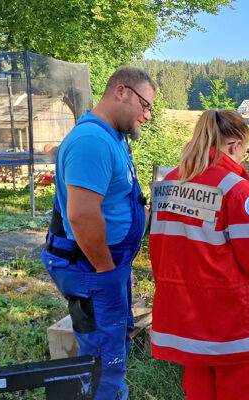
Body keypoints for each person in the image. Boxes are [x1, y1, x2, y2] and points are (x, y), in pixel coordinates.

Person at [41, 66, 156, 400]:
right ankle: (105, 394)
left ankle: (111, 391)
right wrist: (106, 270)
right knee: (105, 354)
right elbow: (81, 214)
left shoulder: (111, 137)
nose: (147, 116)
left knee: (113, 339)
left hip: (106, 266)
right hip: (94, 268)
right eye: (144, 105)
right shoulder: (92, 141)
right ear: (121, 91)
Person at [149, 110, 249, 400]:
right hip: (233, 330)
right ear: (235, 146)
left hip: (188, 325)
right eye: (245, 153)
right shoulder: (236, 189)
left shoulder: (170, 183)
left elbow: (163, 251)